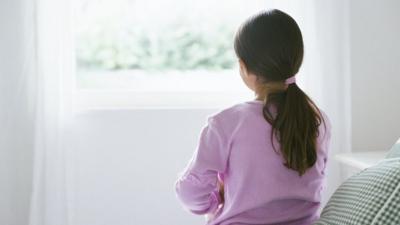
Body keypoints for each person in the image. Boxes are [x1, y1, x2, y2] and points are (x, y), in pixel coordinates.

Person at [174, 9, 331, 225]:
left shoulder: (226, 123)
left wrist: (215, 200)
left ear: (243, 67)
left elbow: (191, 193)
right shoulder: (317, 120)